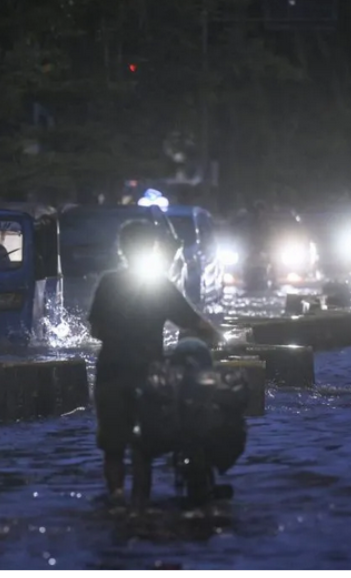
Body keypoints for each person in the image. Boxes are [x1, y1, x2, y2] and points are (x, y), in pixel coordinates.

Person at [88, 219, 223, 511]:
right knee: (143, 448)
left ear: (122, 248)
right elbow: (196, 324)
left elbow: (95, 330)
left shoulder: (108, 283)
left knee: (112, 448)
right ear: (152, 248)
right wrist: (217, 341)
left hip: (110, 374)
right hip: (147, 376)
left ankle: (116, 499)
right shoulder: (159, 286)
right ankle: (141, 504)